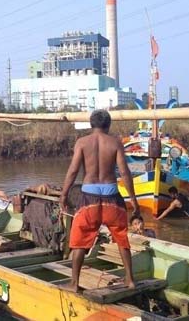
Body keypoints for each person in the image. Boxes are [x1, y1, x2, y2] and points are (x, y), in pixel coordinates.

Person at [59, 109, 140, 293]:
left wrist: (63, 195)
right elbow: (125, 173)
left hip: (89, 199)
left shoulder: (82, 142)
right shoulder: (115, 143)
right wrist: (134, 203)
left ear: (91, 124)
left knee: (79, 241)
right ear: (108, 125)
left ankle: (74, 283)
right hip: (112, 197)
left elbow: (72, 171)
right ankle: (130, 279)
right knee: (121, 238)